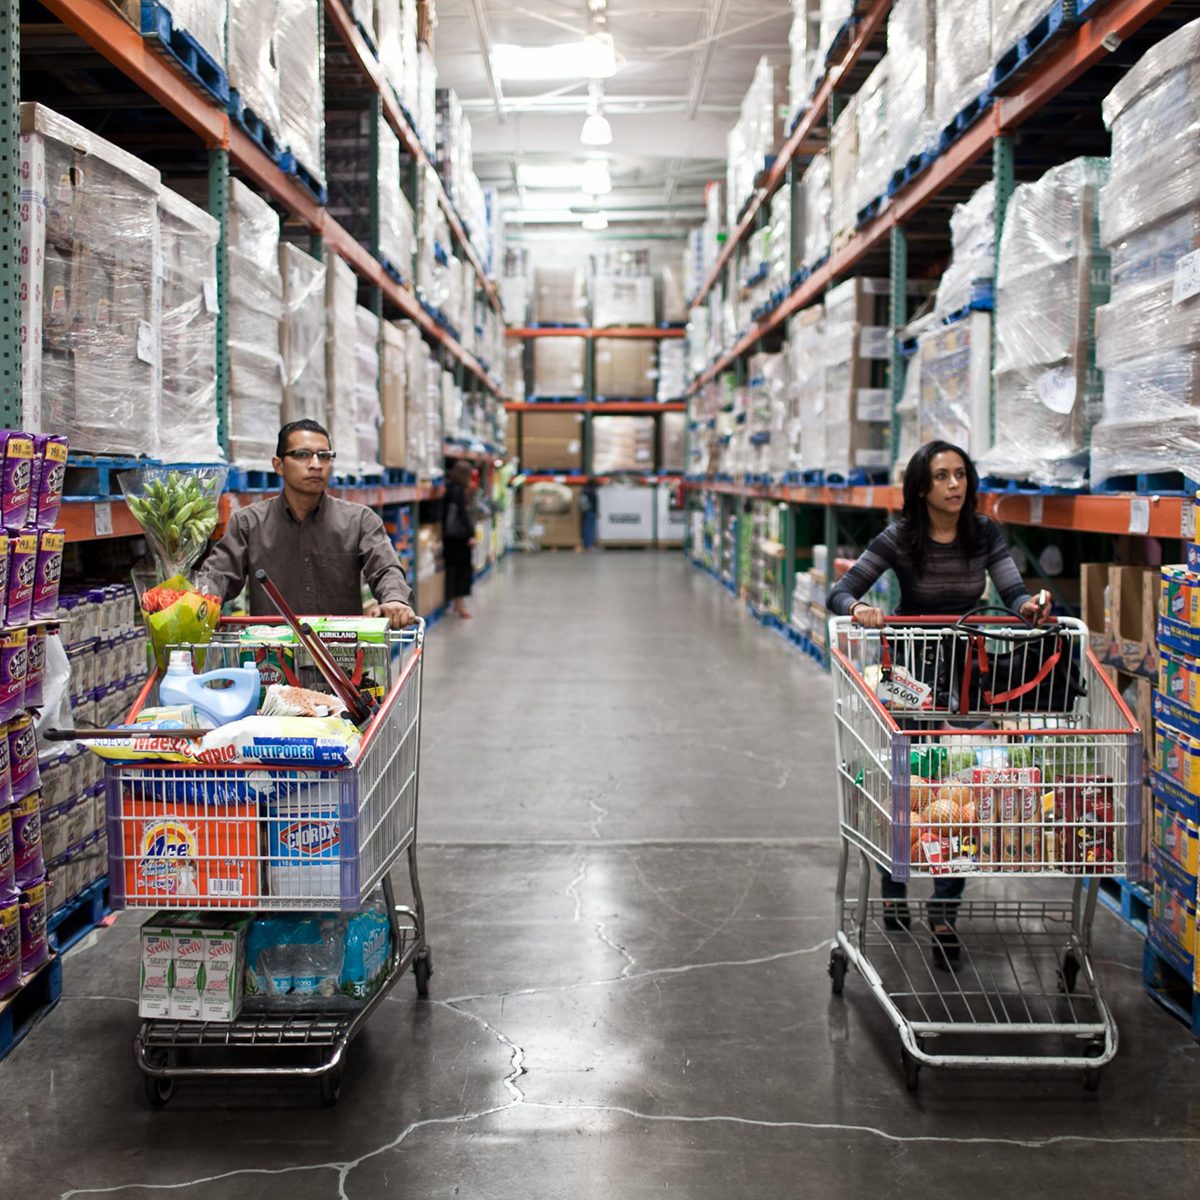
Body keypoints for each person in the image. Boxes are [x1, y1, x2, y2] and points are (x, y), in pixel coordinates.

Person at [826, 440, 1047, 970]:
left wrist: (1030, 606)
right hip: (910, 673)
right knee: (911, 783)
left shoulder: (984, 533)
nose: (955, 485)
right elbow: (840, 592)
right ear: (922, 487)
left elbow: (1012, 591)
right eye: (943, 476)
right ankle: (894, 874)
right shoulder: (900, 537)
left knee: (961, 787)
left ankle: (945, 908)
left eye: (962, 475)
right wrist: (860, 609)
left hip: (968, 671)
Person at [198, 419, 416, 627]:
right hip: (272, 656)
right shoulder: (248, 523)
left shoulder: (360, 521)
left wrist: (395, 600)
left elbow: (386, 568)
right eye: (302, 455)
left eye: (324, 456)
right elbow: (219, 573)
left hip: (340, 657)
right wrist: (204, 600)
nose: (315, 464)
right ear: (278, 465)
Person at [443, 459, 476, 619]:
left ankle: (456, 604)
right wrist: (471, 534)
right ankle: (460, 606)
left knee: (453, 570)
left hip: (449, 537)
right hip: (460, 538)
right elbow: (463, 514)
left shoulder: (448, 488)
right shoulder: (459, 491)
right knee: (462, 572)